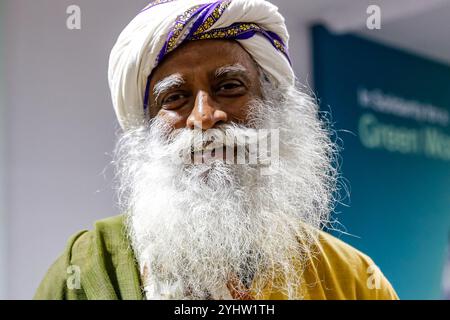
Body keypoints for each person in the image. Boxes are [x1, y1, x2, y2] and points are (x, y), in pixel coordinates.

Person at [34, 0, 398, 300]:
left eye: (229, 86)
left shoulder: (352, 278)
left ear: (273, 109)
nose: (205, 116)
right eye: (175, 98)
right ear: (146, 132)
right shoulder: (86, 267)